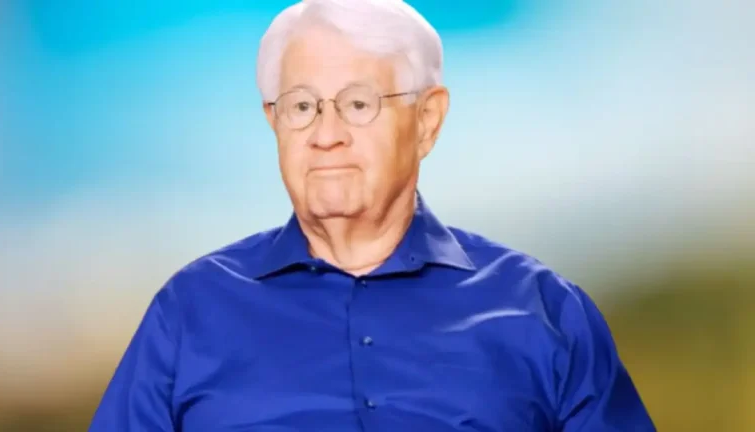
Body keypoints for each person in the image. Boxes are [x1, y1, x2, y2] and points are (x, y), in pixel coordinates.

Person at [89, 0, 655, 430]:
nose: (326, 135)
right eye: (302, 106)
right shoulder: (189, 313)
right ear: (273, 122)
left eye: (358, 104)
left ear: (427, 121)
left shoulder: (546, 313)